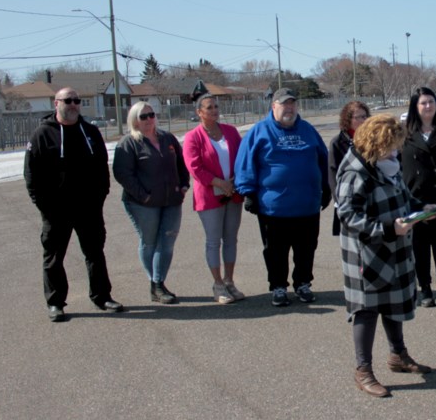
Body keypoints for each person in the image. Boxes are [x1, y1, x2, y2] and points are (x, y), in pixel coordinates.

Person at [336, 115, 432, 397]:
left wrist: (419, 208)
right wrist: (388, 228)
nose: (396, 151)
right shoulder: (356, 172)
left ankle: (398, 356)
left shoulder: (386, 164)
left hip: (395, 248)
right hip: (367, 254)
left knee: (394, 302)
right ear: (376, 143)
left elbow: (401, 196)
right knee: (366, 310)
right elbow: (348, 216)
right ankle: (363, 370)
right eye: (391, 146)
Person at [24, 87, 124, 321]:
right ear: (56, 103)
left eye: (77, 101)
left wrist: (100, 197)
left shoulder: (90, 132)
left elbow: (102, 167)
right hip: (55, 211)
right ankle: (55, 303)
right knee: (53, 257)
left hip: (88, 208)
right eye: (68, 100)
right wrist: (44, 206)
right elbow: (31, 174)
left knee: (95, 253)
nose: (73, 105)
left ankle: (102, 296)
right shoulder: (42, 134)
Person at [234, 88, 331, 307]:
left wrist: (326, 187)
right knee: (275, 251)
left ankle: (303, 283)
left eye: (292, 104)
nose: (289, 108)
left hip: (307, 205)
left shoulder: (307, 130)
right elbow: (245, 163)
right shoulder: (259, 131)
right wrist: (248, 192)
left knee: (306, 249)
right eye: (284, 104)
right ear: (273, 106)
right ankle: (278, 287)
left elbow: (323, 160)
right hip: (273, 208)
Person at [113, 101, 190, 304]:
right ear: (135, 120)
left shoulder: (167, 138)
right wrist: (144, 196)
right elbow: (123, 174)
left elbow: (181, 163)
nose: (149, 119)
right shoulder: (128, 143)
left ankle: (157, 283)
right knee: (150, 242)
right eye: (143, 116)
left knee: (167, 242)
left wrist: (184, 185)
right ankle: (156, 285)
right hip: (143, 203)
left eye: (151, 115)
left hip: (172, 200)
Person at [182, 94, 245, 304]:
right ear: (199, 112)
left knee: (231, 239)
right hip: (210, 197)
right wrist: (220, 183)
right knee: (213, 241)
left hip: (233, 194)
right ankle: (217, 285)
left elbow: (242, 157)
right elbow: (195, 168)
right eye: (209, 107)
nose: (214, 110)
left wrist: (234, 181)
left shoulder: (231, 132)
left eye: (216, 106)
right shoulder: (193, 137)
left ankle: (229, 281)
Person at [400, 86, 436, 307]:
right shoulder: (404, 134)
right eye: (423, 102)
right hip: (415, 200)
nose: (428, 106)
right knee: (419, 248)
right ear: (415, 106)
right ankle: (424, 289)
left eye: (431, 102)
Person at [329, 101, 371, 236]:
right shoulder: (337, 142)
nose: (363, 120)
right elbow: (332, 172)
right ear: (348, 119)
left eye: (365, 116)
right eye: (358, 117)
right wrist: (339, 200)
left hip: (370, 197)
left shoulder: (373, 139)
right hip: (348, 198)